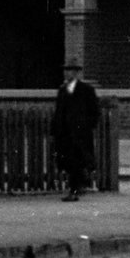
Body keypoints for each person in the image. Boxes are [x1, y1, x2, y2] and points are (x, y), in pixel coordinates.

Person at [52, 59, 101, 201]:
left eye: (70, 70)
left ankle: (74, 190)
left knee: (77, 161)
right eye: (66, 70)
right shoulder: (62, 90)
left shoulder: (86, 90)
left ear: (76, 73)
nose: (67, 73)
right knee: (67, 162)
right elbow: (58, 112)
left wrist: (86, 126)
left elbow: (94, 112)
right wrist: (55, 130)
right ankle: (78, 185)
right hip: (65, 134)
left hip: (80, 134)